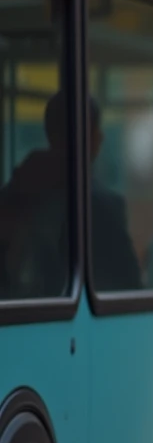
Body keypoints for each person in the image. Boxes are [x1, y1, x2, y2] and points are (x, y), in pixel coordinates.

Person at [0, 92, 142, 296]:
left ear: (48, 132)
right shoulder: (101, 204)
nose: (101, 138)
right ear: (91, 137)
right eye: (96, 129)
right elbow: (129, 288)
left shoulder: (17, 187)